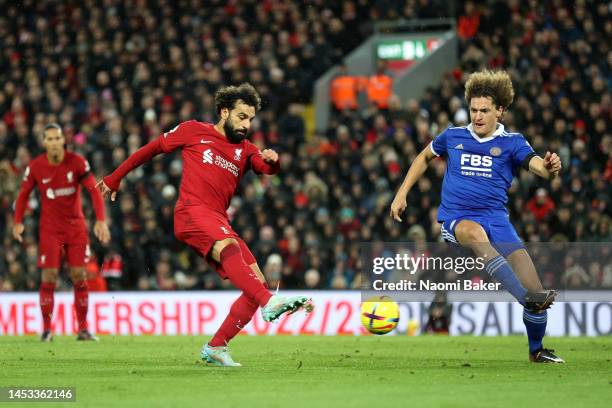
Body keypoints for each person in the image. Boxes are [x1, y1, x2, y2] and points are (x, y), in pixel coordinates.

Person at [96, 83, 313, 367]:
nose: (246, 124)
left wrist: (274, 161)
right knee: (232, 251)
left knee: (255, 280)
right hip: (191, 212)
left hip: (218, 219)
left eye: (250, 119)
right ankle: (268, 302)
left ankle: (217, 346)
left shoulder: (246, 150)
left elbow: (265, 168)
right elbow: (151, 149)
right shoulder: (193, 130)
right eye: (241, 117)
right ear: (224, 112)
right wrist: (115, 177)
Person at [390, 70, 564, 363]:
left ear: (500, 110)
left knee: (536, 291)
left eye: (485, 110)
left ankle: (537, 350)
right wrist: (401, 193)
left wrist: (551, 166)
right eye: (473, 110)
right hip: (457, 220)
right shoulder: (453, 136)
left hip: (497, 222)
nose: (478, 116)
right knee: (475, 233)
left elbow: (540, 168)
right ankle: (524, 298)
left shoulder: (513, 142)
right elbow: (423, 157)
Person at [13, 124, 110, 341]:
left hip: (76, 228)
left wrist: (101, 220)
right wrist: (17, 221)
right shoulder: (36, 166)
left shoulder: (77, 162)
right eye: (50, 139)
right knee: (49, 277)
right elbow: (23, 194)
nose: (55, 142)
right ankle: (47, 329)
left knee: (79, 276)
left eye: (58, 138)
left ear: (62, 141)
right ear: (44, 142)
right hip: (50, 230)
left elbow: (94, 191)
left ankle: (83, 329)